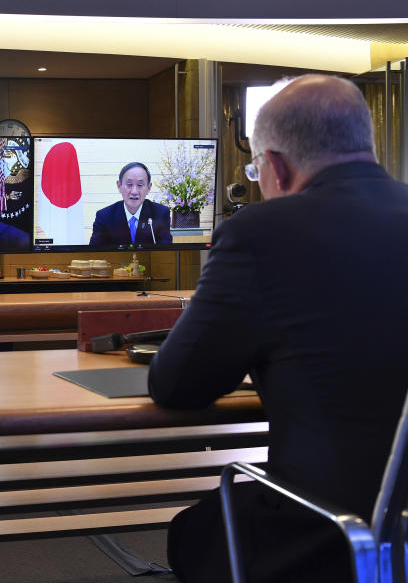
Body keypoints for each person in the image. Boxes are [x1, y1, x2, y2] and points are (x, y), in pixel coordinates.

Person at [148, 74, 408, 582]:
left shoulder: (260, 235)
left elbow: (177, 385)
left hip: (331, 532)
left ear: (275, 167)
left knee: (192, 533)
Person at [89, 161, 172, 247]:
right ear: (119, 186)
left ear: (148, 188)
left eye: (140, 185)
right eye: (129, 185)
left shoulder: (160, 214)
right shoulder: (105, 217)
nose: (134, 191)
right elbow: (94, 253)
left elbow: (166, 253)